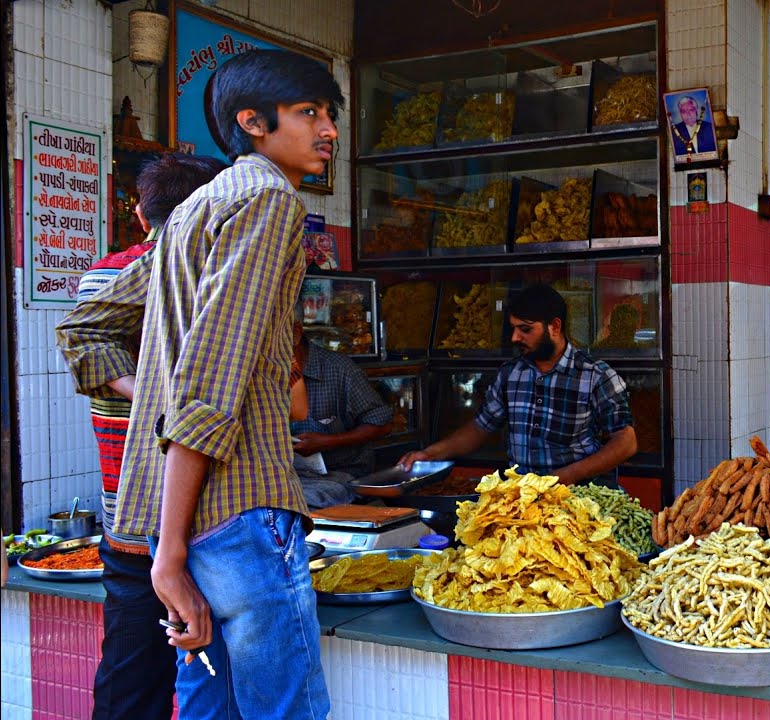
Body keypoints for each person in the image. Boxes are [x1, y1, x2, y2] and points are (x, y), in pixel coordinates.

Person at [55, 49, 342, 719]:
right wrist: (170, 552)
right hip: (238, 513)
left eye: (329, 114)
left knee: (206, 703)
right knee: (284, 709)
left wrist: (171, 535)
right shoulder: (271, 199)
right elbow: (213, 383)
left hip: (175, 513)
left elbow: (85, 325)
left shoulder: (194, 210)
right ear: (253, 122)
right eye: (309, 114)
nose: (327, 130)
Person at [56, 152, 226, 720]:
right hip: (204, 517)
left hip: (127, 516)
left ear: (139, 212)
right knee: (211, 677)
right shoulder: (204, 273)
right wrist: (164, 398)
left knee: (133, 681)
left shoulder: (100, 276)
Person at [399, 284, 637, 487]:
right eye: (513, 328)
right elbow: (480, 428)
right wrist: (429, 454)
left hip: (578, 499)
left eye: (525, 329)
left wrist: (560, 479)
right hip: (521, 499)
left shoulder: (596, 375)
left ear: (554, 326)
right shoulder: (510, 374)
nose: (514, 338)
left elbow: (626, 442)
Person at [291, 317, 393, 507]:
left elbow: (382, 424)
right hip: (290, 476)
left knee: (298, 503)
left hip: (340, 474)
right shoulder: (266, 374)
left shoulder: (340, 370)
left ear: (295, 333)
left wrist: (328, 442)